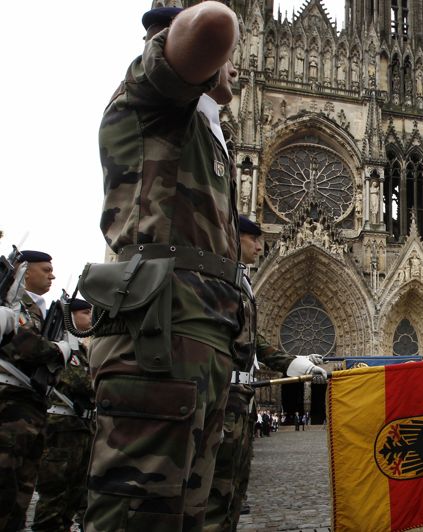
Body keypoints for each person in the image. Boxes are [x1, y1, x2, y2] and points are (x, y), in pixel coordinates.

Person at [86, 3, 243, 530]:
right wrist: (212, 69)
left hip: (202, 337)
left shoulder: (204, 132)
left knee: (187, 514)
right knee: (140, 515)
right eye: (231, 60)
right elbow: (215, 22)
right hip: (159, 340)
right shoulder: (150, 97)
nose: (238, 65)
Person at [204, 215, 326, 531]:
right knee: (211, 494)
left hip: (240, 403)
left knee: (232, 489)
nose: (261, 246)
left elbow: (254, 342)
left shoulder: (238, 281)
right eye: (254, 239)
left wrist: (295, 362)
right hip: (218, 401)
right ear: (234, 237)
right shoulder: (213, 279)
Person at [0, 251, 73, 531]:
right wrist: (57, 351)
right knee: (4, 485)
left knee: (22, 490)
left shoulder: (40, 310)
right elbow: (21, 344)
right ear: (24, 271)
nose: (52, 275)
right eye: (46, 269)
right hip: (9, 405)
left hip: (31, 407)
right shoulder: (10, 300)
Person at [32, 298, 96, 531]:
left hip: (82, 427)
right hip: (62, 427)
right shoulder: (62, 346)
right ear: (72, 317)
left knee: (76, 493)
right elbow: (78, 381)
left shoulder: (82, 348)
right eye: (86, 313)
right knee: (55, 493)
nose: (90, 318)